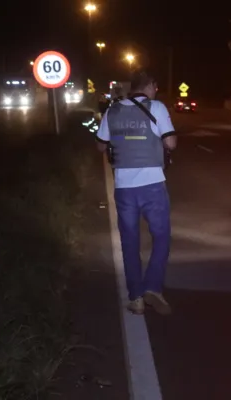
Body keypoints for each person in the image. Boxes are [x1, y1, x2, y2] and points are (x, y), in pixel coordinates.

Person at [95, 69, 177, 315]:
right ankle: (153, 286)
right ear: (150, 86)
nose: (156, 92)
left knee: (130, 242)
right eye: (155, 87)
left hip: (123, 187)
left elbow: (100, 146)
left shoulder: (113, 110)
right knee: (161, 236)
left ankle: (136, 298)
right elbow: (171, 142)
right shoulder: (157, 107)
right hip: (153, 184)